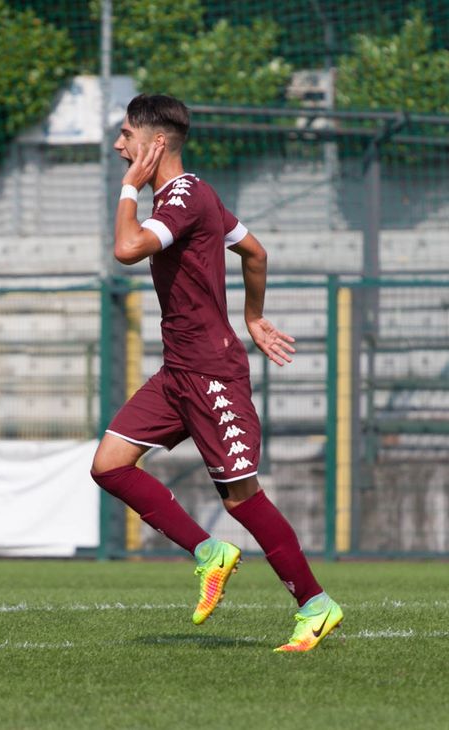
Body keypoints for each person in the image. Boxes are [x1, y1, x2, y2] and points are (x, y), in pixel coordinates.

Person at [90, 94, 342, 652]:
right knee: (109, 464)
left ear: (154, 145)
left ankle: (315, 605)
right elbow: (254, 252)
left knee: (242, 497)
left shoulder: (180, 196)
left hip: (211, 375)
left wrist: (129, 186)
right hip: (179, 370)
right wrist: (252, 316)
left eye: (126, 135)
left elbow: (127, 248)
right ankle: (211, 553)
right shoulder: (194, 194)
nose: (118, 145)